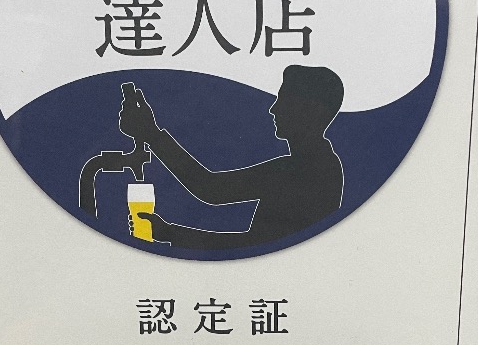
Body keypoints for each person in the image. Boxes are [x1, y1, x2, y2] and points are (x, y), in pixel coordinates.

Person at [120, 65, 344, 249]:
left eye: (285, 100)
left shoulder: (307, 169)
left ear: (311, 111)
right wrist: (169, 232)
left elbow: (211, 189)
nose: (274, 109)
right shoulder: (319, 164)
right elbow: (255, 243)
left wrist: (151, 134)